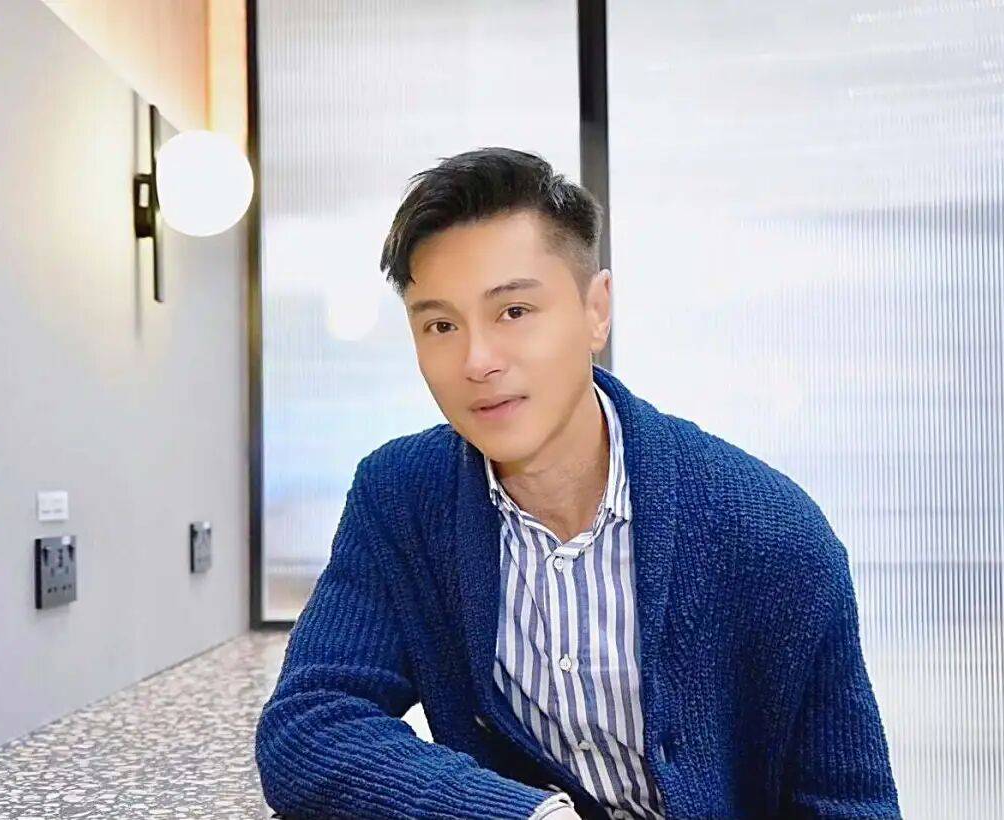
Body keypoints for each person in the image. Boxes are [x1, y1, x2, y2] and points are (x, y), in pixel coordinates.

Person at [254, 148, 901, 819]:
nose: (477, 360)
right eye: (441, 325)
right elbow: (311, 724)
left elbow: (852, 805)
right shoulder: (401, 496)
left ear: (597, 310)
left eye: (514, 311)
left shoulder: (771, 531)